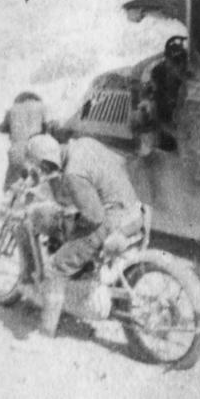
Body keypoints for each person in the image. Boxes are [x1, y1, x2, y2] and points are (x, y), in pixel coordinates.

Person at [24, 134, 144, 337]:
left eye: (40, 167)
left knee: (56, 267)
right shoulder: (82, 144)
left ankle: (45, 333)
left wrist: (69, 226)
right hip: (133, 210)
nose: (40, 172)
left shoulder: (72, 174)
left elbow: (93, 217)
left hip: (111, 221)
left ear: (45, 163)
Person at [134, 36, 189, 155]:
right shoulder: (156, 73)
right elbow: (146, 99)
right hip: (161, 124)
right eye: (174, 62)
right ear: (167, 60)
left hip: (176, 125)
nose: (178, 66)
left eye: (181, 62)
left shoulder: (187, 78)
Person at [0, 91, 53, 191]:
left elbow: (1, 128)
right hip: (36, 150)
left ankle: (9, 203)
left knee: (10, 185)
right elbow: (50, 127)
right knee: (38, 187)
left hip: (16, 151)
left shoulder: (12, 110)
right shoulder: (43, 107)